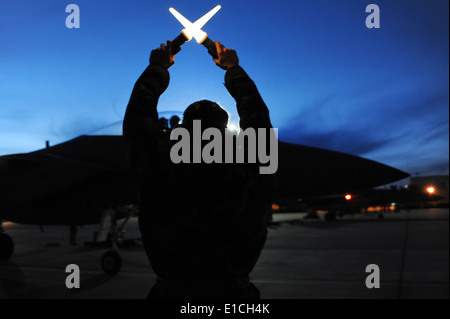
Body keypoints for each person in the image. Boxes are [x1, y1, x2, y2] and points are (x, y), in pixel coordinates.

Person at [123, 40, 275, 299]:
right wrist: (233, 69)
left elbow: (137, 121)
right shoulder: (248, 168)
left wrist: (158, 68)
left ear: (184, 130)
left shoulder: (160, 168)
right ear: (225, 132)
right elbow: (258, 120)